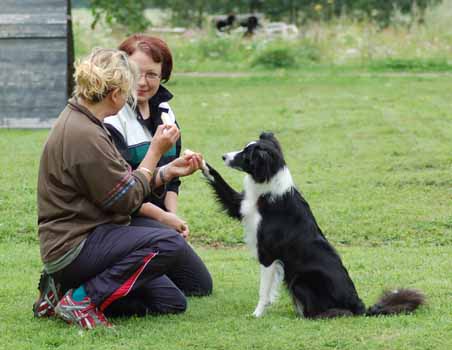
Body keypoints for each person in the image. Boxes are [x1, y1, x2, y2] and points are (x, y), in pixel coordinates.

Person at [33, 48, 212, 329]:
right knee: (168, 243)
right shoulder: (85, 134)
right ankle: (83, 299)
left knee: (171, 302)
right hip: (75, 244)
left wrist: (166, 172)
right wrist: (154, 152)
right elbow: (126, 199)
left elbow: (122, 183)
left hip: (89, 237)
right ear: (115, 94)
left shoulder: (85, 120)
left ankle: (58, 292)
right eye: (127, 90)